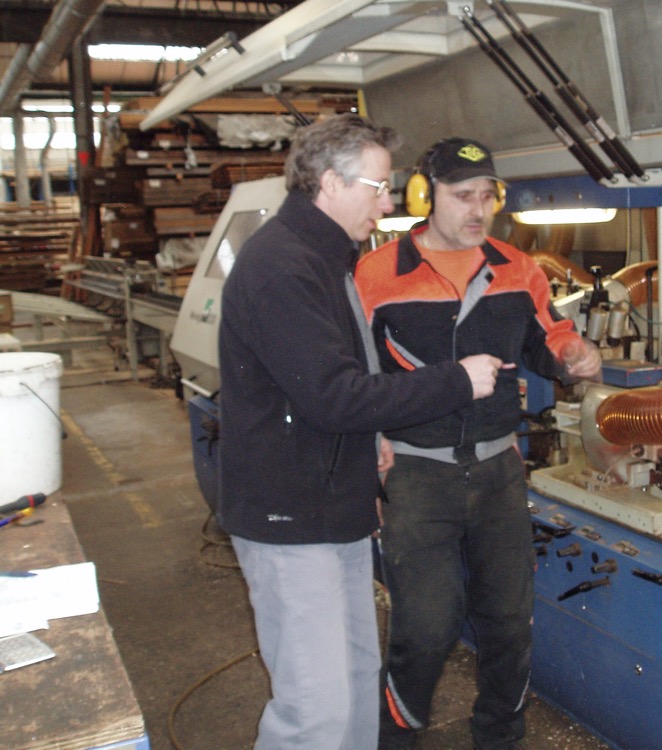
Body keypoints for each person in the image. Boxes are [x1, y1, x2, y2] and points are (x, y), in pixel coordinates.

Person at [217, 116, 507, 750]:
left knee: (351, 682)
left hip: (335, 509)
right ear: (328, 183)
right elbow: (334, 396)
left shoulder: (327, 257)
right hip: (290, 516)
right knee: (313, 710)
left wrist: (370, 435)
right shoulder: (284, 269)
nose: (387, 203)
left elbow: (343, 374)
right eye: (378, 188)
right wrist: (455, 380)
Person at [354, 137, 602, 750]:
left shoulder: (518, 269)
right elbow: (353, 380)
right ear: (424, 196)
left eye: (487, 196)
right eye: (462, 196)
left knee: (510, 626)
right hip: (417, 476)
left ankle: (498, 738)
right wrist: (370, 455)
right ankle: (396, 742)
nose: (477, 209)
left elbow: (550, 339)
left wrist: (574, 354)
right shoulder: (377, 275)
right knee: (426, 629)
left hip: (497, 474)